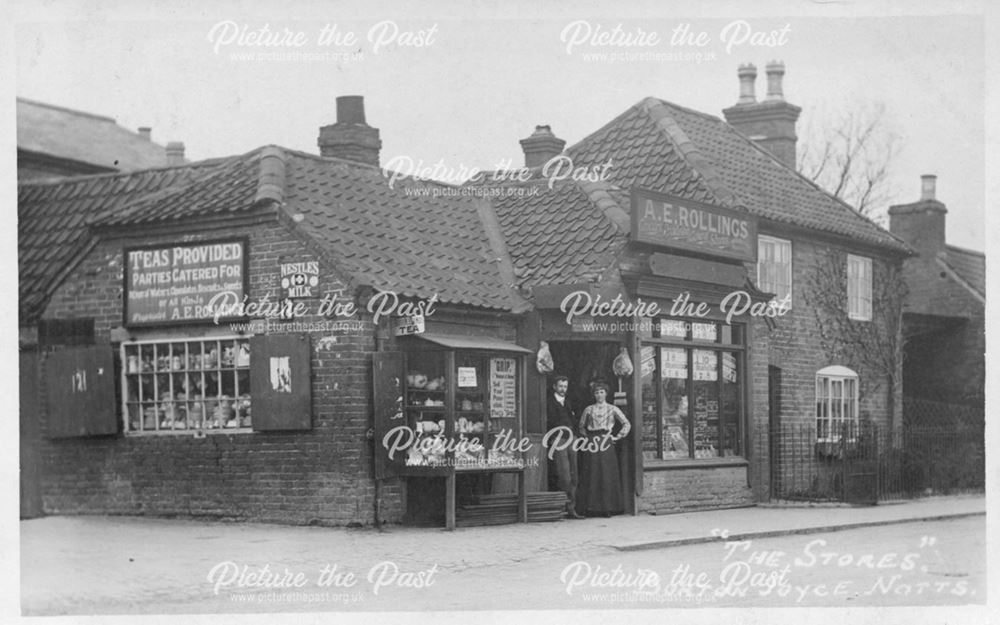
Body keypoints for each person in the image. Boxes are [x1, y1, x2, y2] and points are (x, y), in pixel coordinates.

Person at [576, 381, 631, 517]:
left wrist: (617, 437)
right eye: (596, 392)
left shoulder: (613, 409)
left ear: (606, 393)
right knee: (593, 473)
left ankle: (608, 508)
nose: (599, 395)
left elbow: (626, 423)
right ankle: (591, 507)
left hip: (606, 441)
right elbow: (581, 426)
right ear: (593, 395)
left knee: (606, 473)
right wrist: (587, 438)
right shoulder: (588, 409)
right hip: (592, 442)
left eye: (601, 392)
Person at [546, 375, 583, 519]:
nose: (563, 389)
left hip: (571, 438)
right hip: (559, 439)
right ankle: (563, 507)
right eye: (560, 386)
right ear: (555, 386)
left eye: (565, 387)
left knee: (574, 473)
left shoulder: (569, 401)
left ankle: (572, 508)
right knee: (564, 475)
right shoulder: (549, 402)